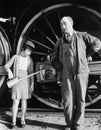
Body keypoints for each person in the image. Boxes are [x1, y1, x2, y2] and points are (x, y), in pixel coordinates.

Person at [52, 16, 101, 130]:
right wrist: (58, 65)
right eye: (61, 24)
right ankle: (69, 124)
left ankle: (78, 125)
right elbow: (54, 56)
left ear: (71, 24)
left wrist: (87, 54)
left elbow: (97, 43)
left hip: (81, 71)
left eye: (65, 24)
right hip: (66, 73)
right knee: (67, 100)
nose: (63, 27)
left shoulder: (82, 36)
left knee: (80, 99)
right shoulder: (59, 41)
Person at [4, 39, 35, 128]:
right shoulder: (16, 57)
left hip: (26, 81)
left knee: (24, 101)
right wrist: (9, 72)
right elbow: (6, 66)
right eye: (28, 51)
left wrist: (32, 84)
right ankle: (13, 121)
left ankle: (22, 120)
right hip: (16, 81)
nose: (29, 53)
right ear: (23, 49)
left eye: (30, 52)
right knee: (15, 101)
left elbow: (31, 73)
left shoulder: (30, 59)